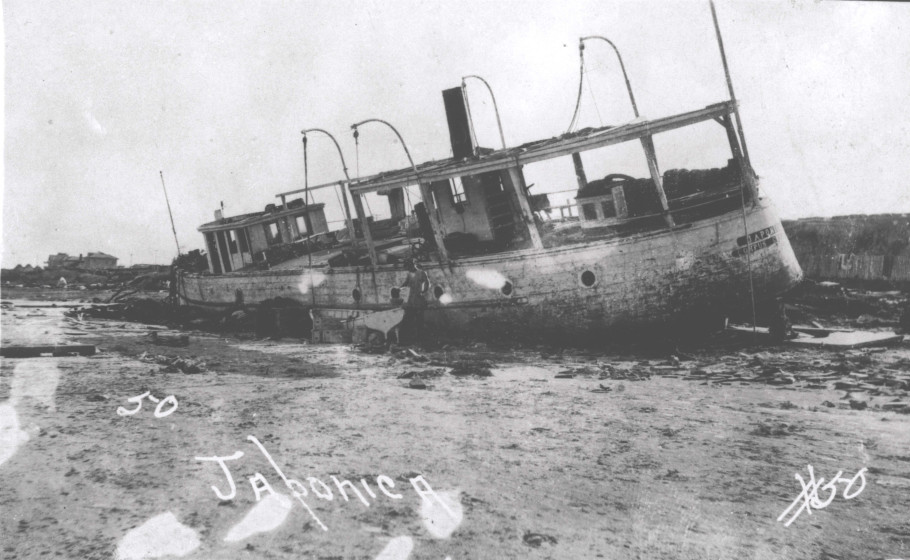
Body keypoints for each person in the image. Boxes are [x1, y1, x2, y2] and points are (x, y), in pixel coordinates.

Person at [399, 259, 428, 343]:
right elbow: (406, 283)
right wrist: (399, 289)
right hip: (410, 300)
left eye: (408, 267)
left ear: (412, 265)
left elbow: (426, 283)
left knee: (419, 320)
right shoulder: (409, 274)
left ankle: (420, 340)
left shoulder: (421, 273)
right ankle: (408, 340)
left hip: (418, 299)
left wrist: (423, 291)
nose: (408, 269)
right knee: (408, 319)